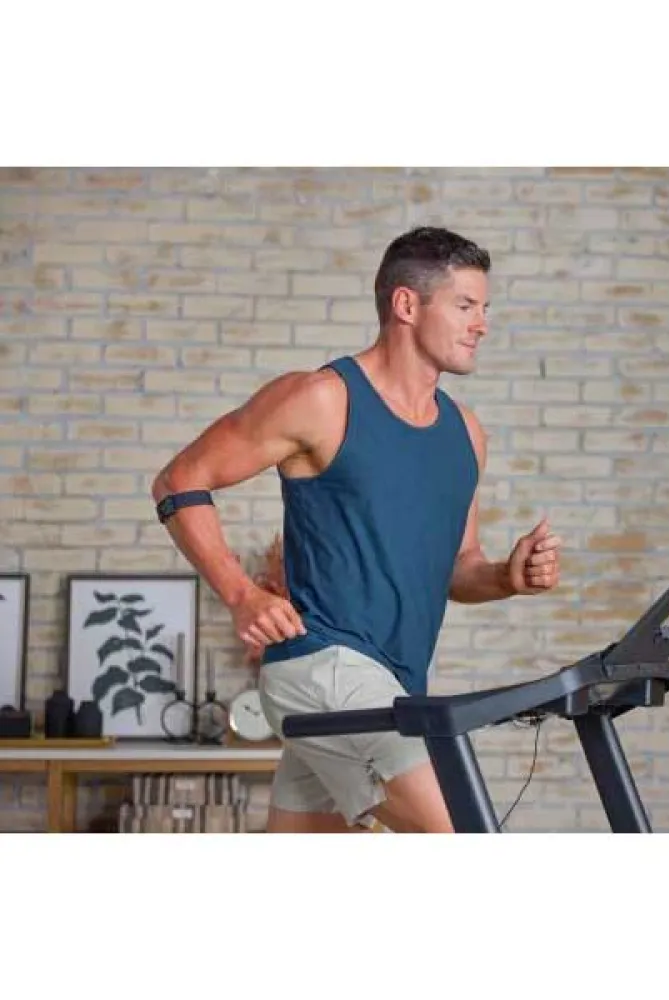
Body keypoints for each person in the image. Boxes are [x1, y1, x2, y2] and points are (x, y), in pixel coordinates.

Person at [151, 225, 562, 833]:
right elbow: (180, 480)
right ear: (406, 304)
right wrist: (241, 594)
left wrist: (506, 577)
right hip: (322, 668)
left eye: (485, 308)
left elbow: (458, 567)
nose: (482, 324)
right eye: (466, 306)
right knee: (462, 831)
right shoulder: (323, 399)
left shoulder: (466, 433)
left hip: (392, 683)